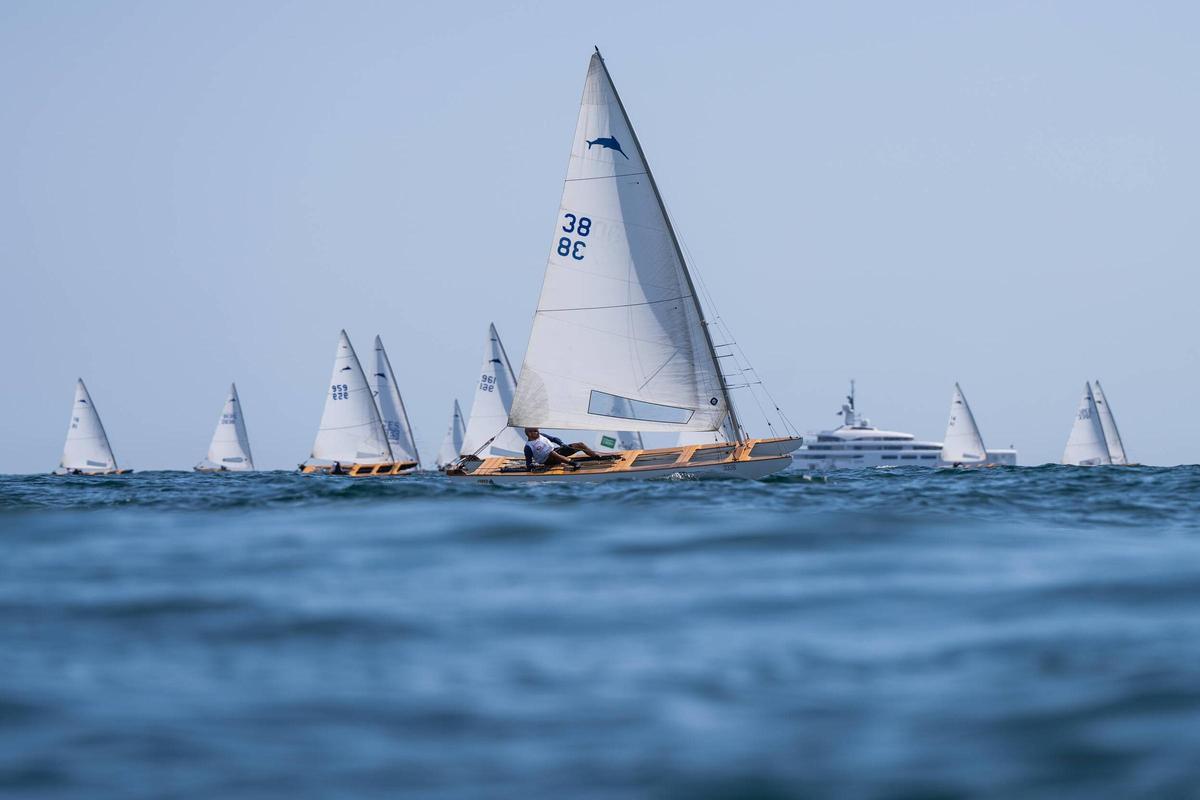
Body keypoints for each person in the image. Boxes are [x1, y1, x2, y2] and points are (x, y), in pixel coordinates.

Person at [523, 428, 602, 471]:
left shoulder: (542, 435)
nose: (538, 432)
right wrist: (531, 466)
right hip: (547, 460)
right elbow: (528, 463)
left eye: (537, 430)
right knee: (551, 453)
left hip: (556, 451)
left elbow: (554, 439)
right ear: (529, 433)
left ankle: (596, 456)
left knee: (580, 444)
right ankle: (574, 464)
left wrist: (561, 443)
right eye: (536, 431)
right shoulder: (528, 447)